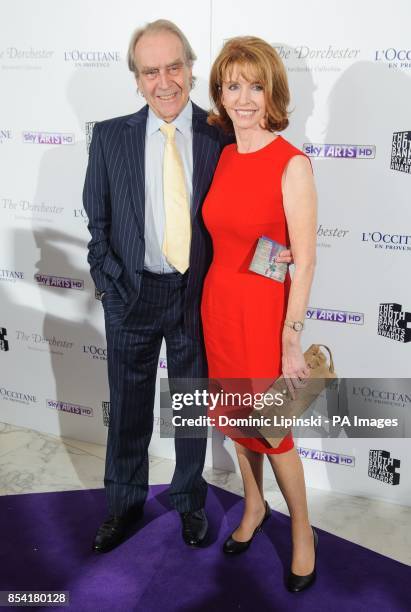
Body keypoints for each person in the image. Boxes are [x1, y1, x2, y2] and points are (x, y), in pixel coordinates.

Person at [83, 19, 294, 554]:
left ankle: (189, 501)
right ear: (137, 79)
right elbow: (98, 225)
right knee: (128, 408)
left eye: (173, 67)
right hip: (132, 296)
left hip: (198, 297)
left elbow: (249, 219)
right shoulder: (109, 137)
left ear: (191, 69)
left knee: (191, 408)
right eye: (150, 71)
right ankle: (123, 507)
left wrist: (275, 258)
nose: (164, 81)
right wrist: (111, 286)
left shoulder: (221, 133)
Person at [201, 36, 318, 592]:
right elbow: (248, 242)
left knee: (274, 431)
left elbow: (306, 259)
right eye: (231, 86)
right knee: (236, 422)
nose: (242, 98)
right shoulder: (224, 154)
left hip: (264, 317)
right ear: (219, 92)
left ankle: (302, 531)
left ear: (271, 91)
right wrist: (269, 254)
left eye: (254, 85)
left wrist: (291, 338)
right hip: (218, 307)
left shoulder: (291, 163)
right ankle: (253, 507)